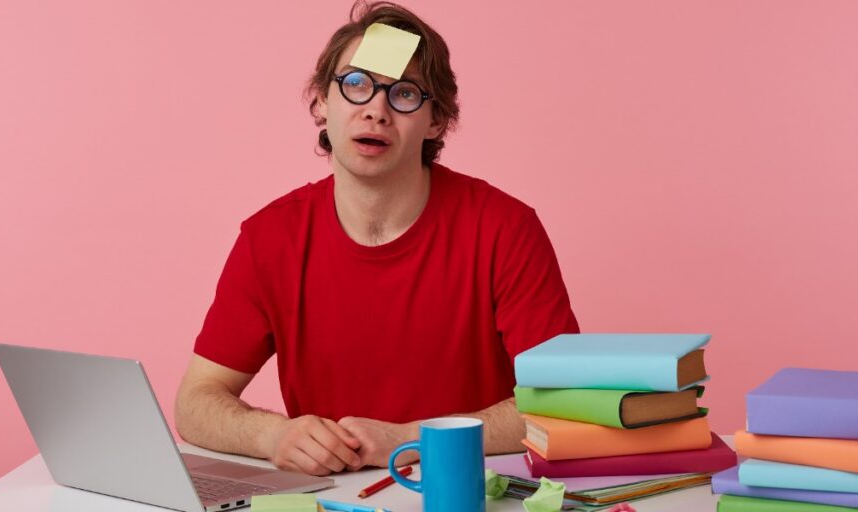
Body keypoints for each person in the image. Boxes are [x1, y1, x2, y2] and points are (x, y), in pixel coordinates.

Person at [174, 1, 578, 477]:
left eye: (405, 94)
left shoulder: (505, 229)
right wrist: (273, 434)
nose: (376, 110)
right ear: (322, 102)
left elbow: (564, 403)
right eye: (356, 85)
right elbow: (195, 403)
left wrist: (412, 438)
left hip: (467, 495)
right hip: (329, 498)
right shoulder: (269, 238)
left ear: (435, 121)